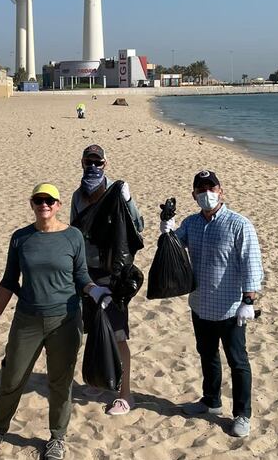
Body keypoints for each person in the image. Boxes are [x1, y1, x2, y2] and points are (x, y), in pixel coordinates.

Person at [0, 183, 110, 460]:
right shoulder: (21, 238)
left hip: (65, 319)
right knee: (12, 377)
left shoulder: (73, 237)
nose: (44, 204)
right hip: (27, 320)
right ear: (32, 204)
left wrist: (94, 290)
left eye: (49, 200)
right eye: (39, 200)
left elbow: (81, 275)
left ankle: (57, 437)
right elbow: (9, 280)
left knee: (60, 382)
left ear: (59, 205)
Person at [161, 169, 263, 438]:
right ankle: (211, 401)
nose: (207, 193)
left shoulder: (239, 224)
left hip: (230, 308)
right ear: (194, 195)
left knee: (238, 361)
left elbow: (252, 264)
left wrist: (249, 301)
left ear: (221, 191)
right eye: (201, 189)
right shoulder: (192, 223)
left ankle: (242, 414)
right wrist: (167, 231)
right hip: (200, 304)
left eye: (211, 187)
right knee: (207, 355)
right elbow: (173, 247)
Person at [70, 144, 143, 414]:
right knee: (93, 329)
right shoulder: (78, 195)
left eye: (97, 162)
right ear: (82, 162)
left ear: (105, 164)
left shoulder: (116, 192)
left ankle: (126, 394)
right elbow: (74, 231)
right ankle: (101, 379)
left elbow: (138, 226)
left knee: (117, 333)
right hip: (87, 273)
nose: (93, 166)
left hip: (113, 274)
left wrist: (128, 201)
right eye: (89, 161)